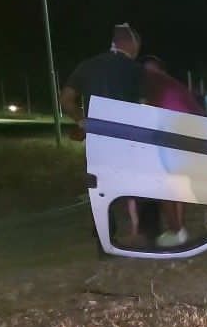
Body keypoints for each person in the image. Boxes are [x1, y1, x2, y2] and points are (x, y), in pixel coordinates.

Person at [60, 23, 146, 246]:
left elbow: (66, 100)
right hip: (128, 137)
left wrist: (82, 121)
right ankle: (140, 231)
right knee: (138, 184)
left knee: (100, 187)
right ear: (130, 44)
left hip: (98, 138)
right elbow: (144, 106)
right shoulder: (136, 70)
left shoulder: (87, 66)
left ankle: (104, 239)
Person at [142, 55, 205, 247]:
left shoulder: (152, 87)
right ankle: (181, 228)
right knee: (179, 183)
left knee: (163, 185)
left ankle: (177, 230)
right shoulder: (175, 86)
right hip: (188, 133)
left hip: (170, 134)